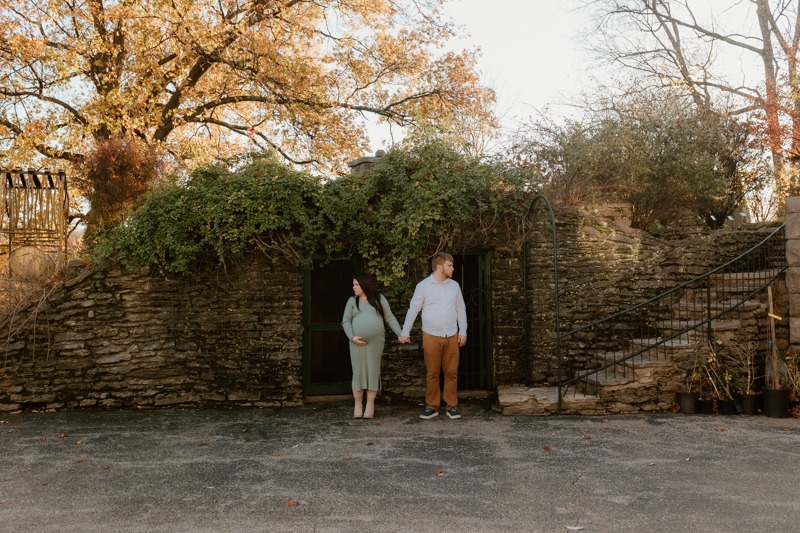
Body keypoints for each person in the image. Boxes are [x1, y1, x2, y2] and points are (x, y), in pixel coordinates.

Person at [399, 252, 467, 420]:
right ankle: (432, 406)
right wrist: (405, 331)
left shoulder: (454, 286)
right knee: (432, 373)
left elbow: (460, 309)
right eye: (449, 265)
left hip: (452, 334)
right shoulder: (423, 286)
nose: (453, 268)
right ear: (439, 267)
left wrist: (463, 331)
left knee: (451, 372)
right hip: (431, 335)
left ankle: (452, 406)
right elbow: (414, 309)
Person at [341, 273, 402, 419]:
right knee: (358, 372)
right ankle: (358, 405)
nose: (353, 287)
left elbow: (390, 317)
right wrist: (352, 337)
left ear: (364, 284)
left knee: (373, 371)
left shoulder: (379, 299)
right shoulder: (352, 301)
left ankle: (370, 404)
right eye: (354, 284)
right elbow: (345, 321)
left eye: (356, 284)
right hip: (356, 342)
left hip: (376, 342)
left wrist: (400, 333)